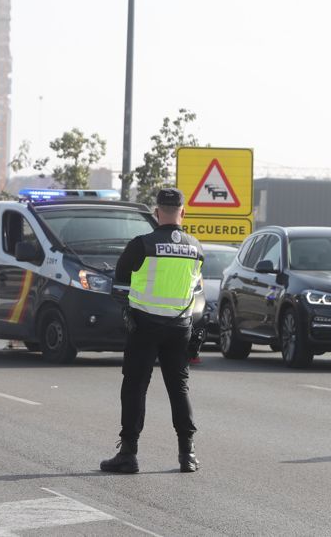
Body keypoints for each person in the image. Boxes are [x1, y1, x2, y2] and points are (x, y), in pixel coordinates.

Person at [101, 188, 203, 474]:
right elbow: (196, 292)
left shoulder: (141, 245)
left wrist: (128, 312)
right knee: (179, 389)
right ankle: (188, 454)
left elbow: (119, 288)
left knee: (135, 387)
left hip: (144, 326)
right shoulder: (196, 249)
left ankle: (129, 453)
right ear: (183, 212)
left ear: (157, 213)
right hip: (180, 328)